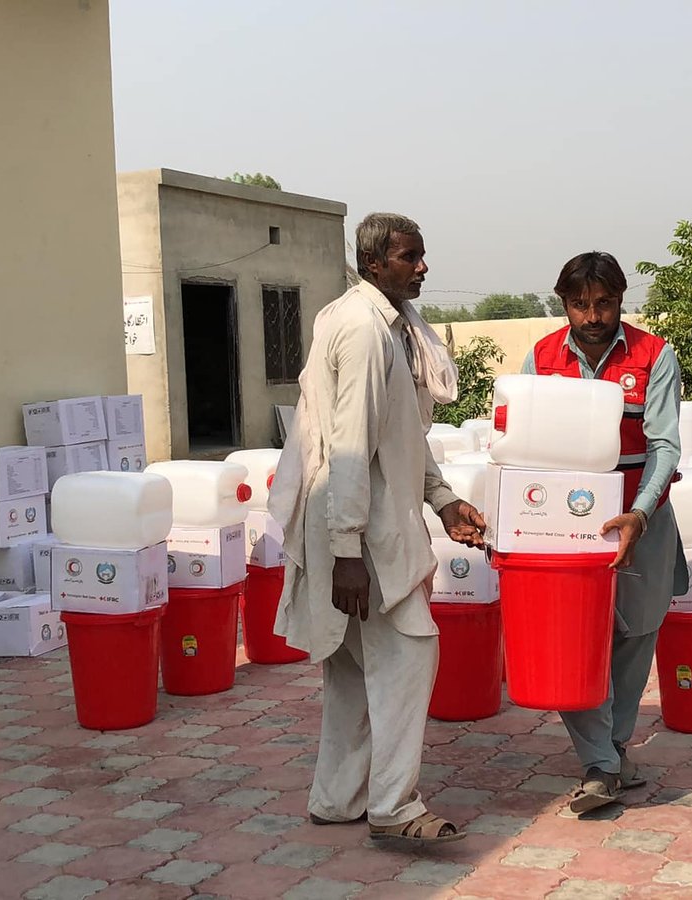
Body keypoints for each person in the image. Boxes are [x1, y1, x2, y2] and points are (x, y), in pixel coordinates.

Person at [269, 212, 487, 847]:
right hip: (358, 528)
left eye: (421, 254)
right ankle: (393, 807)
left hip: (357, 521)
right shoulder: (365, 331)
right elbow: (349, 448)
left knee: (351, 667)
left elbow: (401, 437)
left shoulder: (383, 326)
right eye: (408, 257)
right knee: (408, 655)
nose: (421, 266)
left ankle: (338, 800)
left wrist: (442, 499)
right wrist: (346, 554)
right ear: (373, 264)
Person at [522, 251, 687, 816]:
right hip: (566, 527)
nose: (592, 316)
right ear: (564, 304)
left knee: (637, 630)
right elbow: (523, 443)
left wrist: (640, 513)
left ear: (621, 299)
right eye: (579, 304)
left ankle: (612, 750)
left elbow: (666, 445)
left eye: (604, 303)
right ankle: (600, 763)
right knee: (575, 636)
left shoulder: (655, 355)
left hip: (643, 515)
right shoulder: (541, 359)